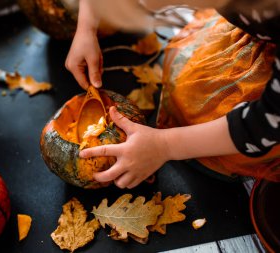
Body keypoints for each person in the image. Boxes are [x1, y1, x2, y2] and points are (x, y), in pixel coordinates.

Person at [65, 0, 280, 189]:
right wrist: (86, 28)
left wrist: (164, 146)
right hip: (256, 28)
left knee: (229, 149)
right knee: (186, 90)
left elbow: (265, 123)